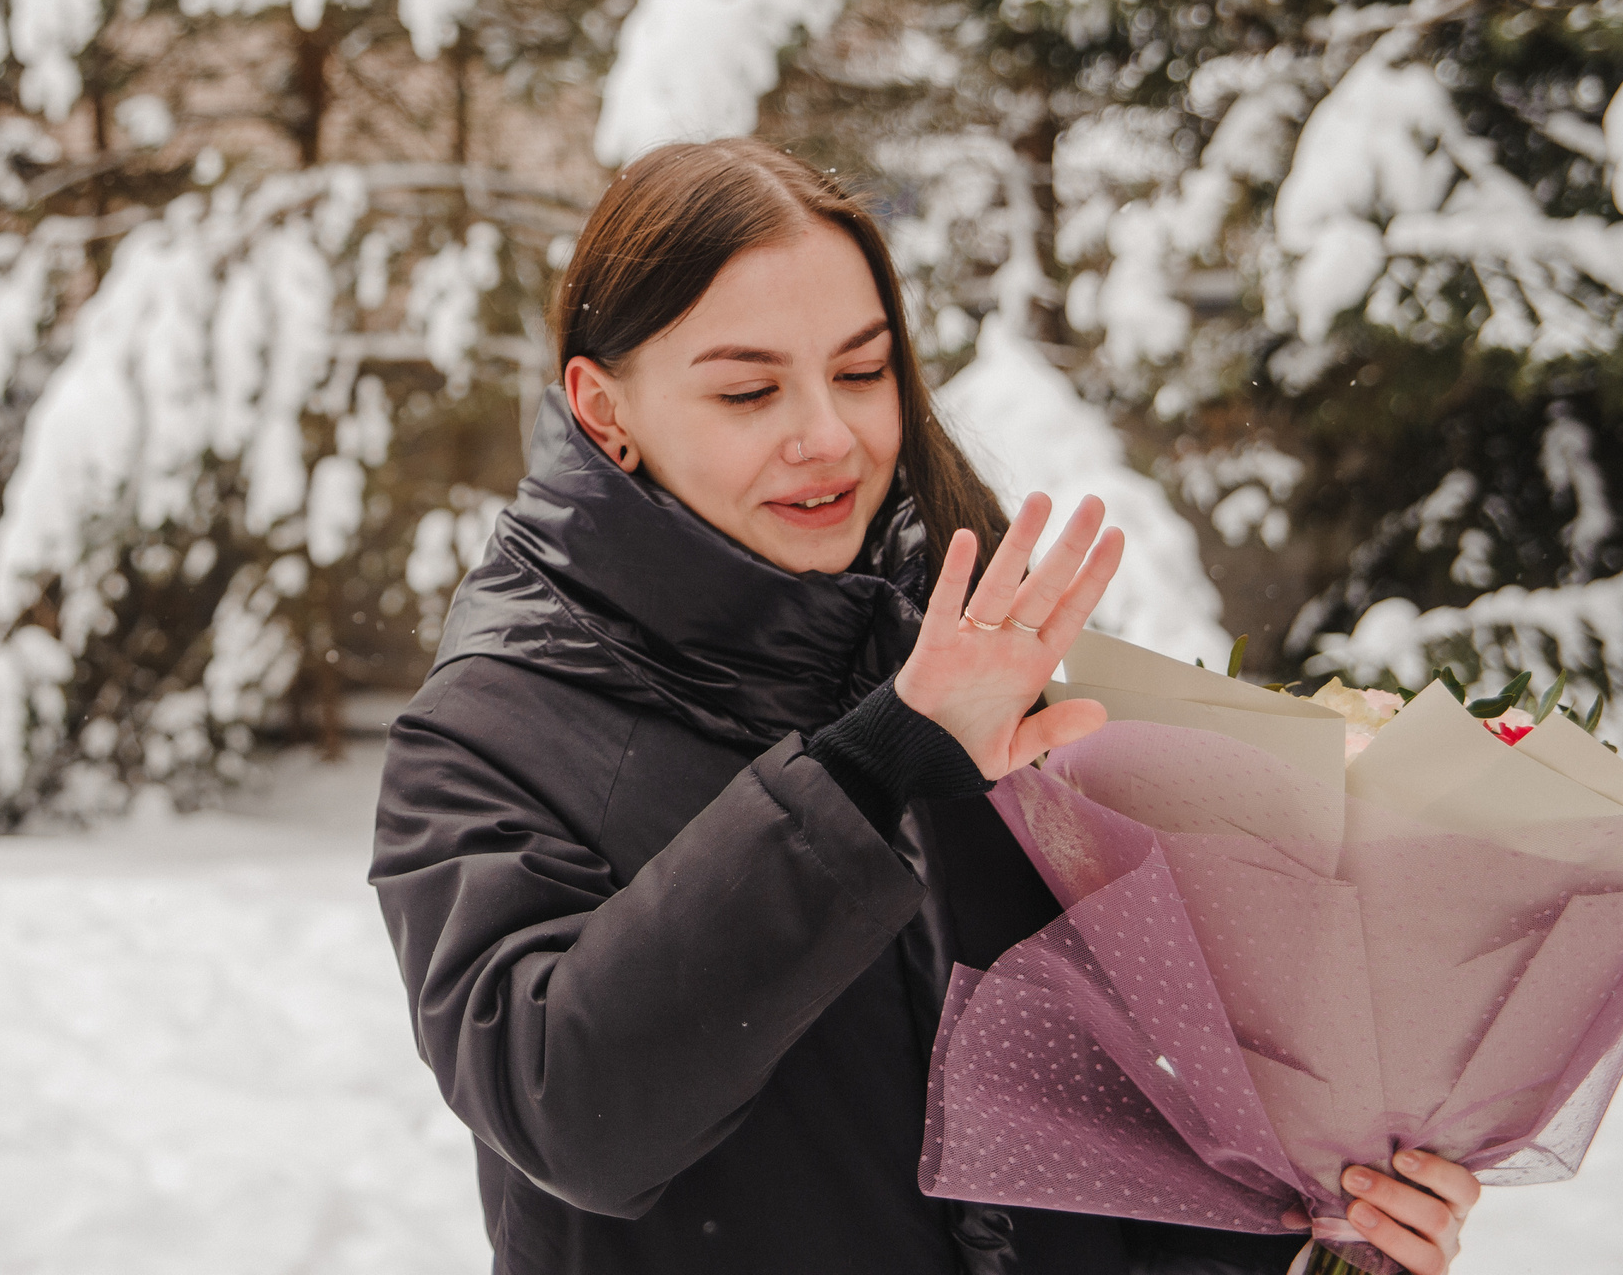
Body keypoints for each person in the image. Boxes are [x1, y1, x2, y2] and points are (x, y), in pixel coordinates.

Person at [369, 139, 1477, 1275]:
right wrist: (869, 771)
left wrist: (1326, 1239)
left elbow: (1088, 1153)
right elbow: (574, 1112)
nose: (830, 436)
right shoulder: (492, 732)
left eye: (861, 372)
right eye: (749, 389)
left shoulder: (966, 657)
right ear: (603, 409)